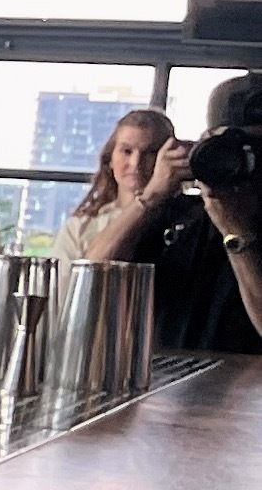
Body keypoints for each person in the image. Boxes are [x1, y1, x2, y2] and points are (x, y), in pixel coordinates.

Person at [69, 76, 262, 353]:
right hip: (168, 387)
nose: (251, 163)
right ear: (206, 145)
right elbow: (93, 278)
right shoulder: (182, 218)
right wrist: (152, 196)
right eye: (233, 149)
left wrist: (237, 233)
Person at [53, 107, 176, 262]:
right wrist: (147, 199)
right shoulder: (80, 227)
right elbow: (80, 278)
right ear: (110, 158)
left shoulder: (189, 220)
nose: (135, 163)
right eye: (126, 151)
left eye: (150, 153)